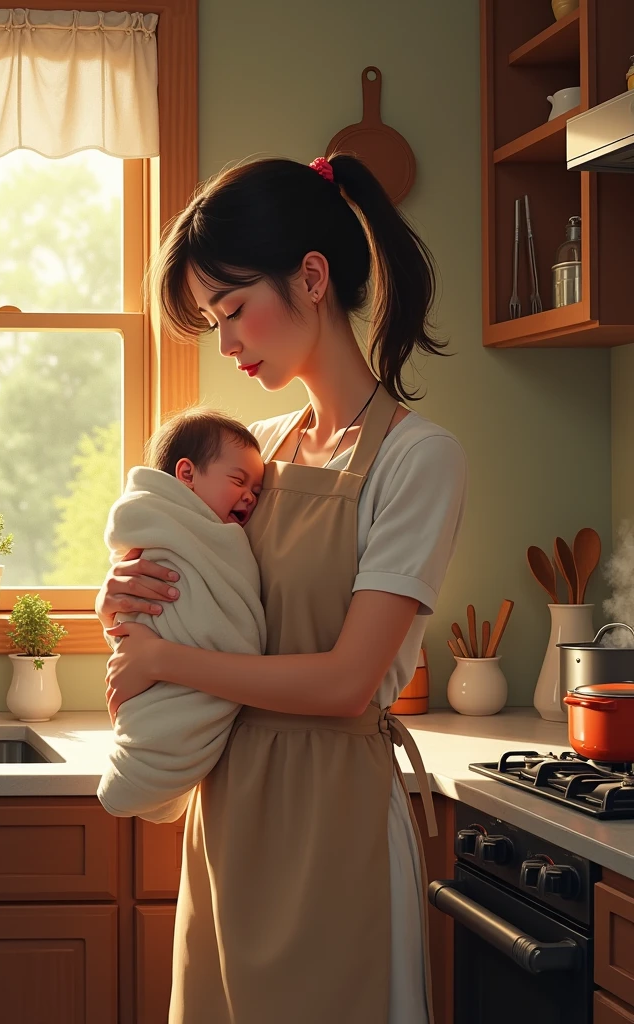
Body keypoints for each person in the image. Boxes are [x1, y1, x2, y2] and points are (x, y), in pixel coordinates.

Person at [98, 153, 467, 1024]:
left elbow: (345, 683)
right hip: (229, 821)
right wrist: (130, 592)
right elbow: (194, 590)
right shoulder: (252, 453)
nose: (225, 344)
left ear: (311, 278)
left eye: (231, 311)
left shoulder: (418, 459)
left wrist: (169, 657)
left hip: (333, 824)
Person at [97, 408, 266, 824]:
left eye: (257, 490)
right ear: (186, 475)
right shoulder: (161, 529)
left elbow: (220, 616)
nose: (250, 496)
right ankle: (143, 764)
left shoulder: (220, 541)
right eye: (238, 481)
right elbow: (151, 616)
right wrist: (109, 613)